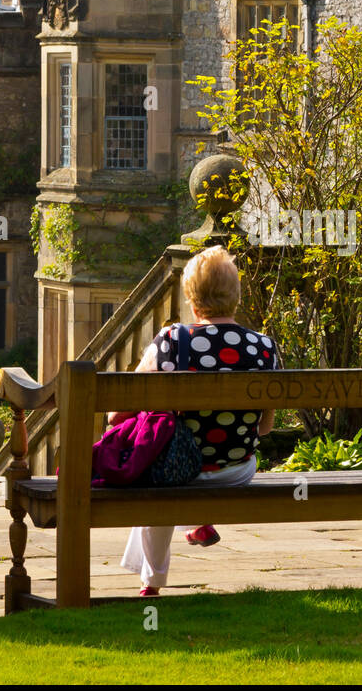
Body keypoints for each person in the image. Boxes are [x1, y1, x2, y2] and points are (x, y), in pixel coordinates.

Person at [107, 245, 282, 596]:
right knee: (166, 466)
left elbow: (117, 413)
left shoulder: (171, 341)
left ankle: (152, 582)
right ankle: (194, 523)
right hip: (236, 469)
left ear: (191, 297)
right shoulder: (264, 348)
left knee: (156, 463)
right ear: (236, 296)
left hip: (178, 468)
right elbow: (265, 428)